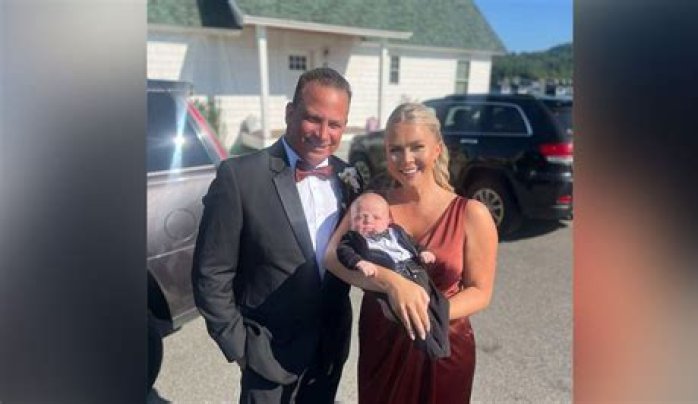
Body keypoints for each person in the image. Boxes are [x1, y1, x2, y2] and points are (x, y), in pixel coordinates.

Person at [191, 67, 363, 404]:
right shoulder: (239, 177)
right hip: (265, 355)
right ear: (289, 112)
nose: (323, 134)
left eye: (335, 124)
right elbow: (211, 273)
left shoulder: (349, 177)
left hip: (328, 352)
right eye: (313, 118)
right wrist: (239, 346)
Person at [325, 102, 498, 403]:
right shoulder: (372, 205)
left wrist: (425, 314)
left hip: (442, 345)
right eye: (395, 149)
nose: (405, 159)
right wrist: (390, 283)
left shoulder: (471, 213)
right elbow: (331, 256)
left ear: (437, 149)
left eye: (417, 147)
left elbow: (480, 292)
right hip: (383, 342)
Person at [336, 192, 450, 359]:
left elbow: (413, 244)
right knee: (407, 313)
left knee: (440, 302)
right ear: (351, 223)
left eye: (376, 217)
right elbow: (343, 251)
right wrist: (359, 262)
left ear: (388, 220)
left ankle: (441, 342)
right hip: (393, 272)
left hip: (415, 270)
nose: (367, 221)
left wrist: (423, 252)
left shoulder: (397, 232)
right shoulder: (353, 239)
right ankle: (430, 347)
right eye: (359, 217)